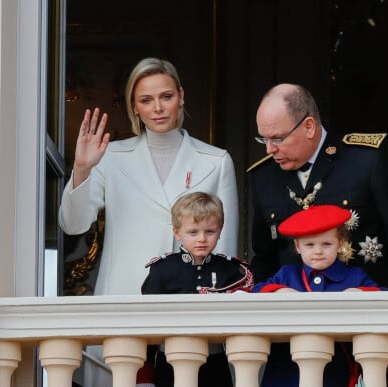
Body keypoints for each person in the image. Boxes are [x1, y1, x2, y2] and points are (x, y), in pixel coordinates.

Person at [58, 57, 239, 386]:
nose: (158, 108)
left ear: (181, 96)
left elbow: (224, 251)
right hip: (123, 303)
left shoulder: (216, 161)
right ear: (134, 106)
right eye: (146, 100)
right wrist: (82, 169)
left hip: (190, 314)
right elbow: (73, 225)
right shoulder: (110, 157)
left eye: (166, 96)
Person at [248, 83, 388, 291]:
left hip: (367, 310)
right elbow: (264, 259)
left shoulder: (366, 160)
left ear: (309, 126)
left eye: (277, 138)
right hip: (292, 316)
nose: (269, 149)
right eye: (263, 139)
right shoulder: (264, 176)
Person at [252, 204, 385, 387]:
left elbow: (384, 297)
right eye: (309, 244)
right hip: (286, 369)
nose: (318, 251)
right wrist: (278, 290)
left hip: (336, 368)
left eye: (326, 244)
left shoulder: (354, 276)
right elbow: (256, 291)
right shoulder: (287, 275)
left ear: (340, 243)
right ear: (297, 246)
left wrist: (360, 293)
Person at [142, 192, 253, 387]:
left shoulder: (230, 270)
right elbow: (147, 323)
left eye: (209, 232)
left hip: (215, 363)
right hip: (170, 363)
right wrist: (145, 376)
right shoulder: (163, 269)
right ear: (177, 232)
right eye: (193, 232)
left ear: (220, 231)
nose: (202, 239)